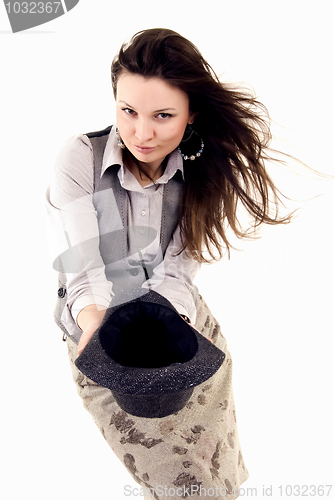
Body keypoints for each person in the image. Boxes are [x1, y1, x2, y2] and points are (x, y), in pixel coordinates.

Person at [46, 28, 291, 499]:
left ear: (191, 114)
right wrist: (102, 342)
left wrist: (172, 330)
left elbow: (179, 269)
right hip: (103, 341)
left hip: (182, 330)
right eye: (128, 111)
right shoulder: (79, 159)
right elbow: (84, 272)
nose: (141, 133)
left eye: (163, 116)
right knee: (186, 487)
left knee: (218, 470)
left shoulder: (204, 169)